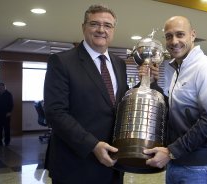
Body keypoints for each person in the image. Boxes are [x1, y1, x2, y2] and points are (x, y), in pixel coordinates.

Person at [43, 4, 159, 184]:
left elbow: (117, 104)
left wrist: (146, 83)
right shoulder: (62, 61)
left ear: (113, 30)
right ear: (84, 27)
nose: (101, 30)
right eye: (94, 24)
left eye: (107, 25)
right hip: (76, 164)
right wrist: (93, 146)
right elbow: (55, 113)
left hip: (113, 163)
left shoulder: (119, 63)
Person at [143, 16, 207, 184]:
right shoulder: (177, 69)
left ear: (192, 35)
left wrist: (170, 151)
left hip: (199, 167)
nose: (174, 41)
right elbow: (173, 109)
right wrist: (153, 85)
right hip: (176, 161)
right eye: (169, 36)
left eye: (180, 34)